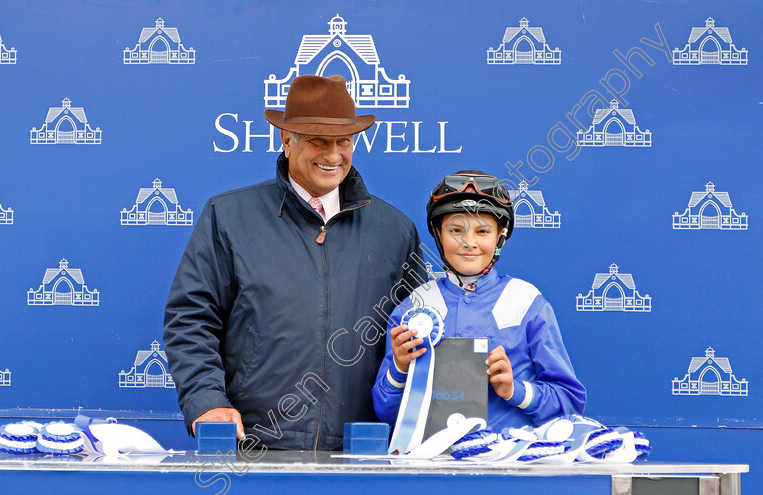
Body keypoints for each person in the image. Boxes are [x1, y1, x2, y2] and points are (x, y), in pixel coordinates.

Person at [164, 75, 423, 451]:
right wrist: (207, 401)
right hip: (255, 450)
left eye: (344, 141)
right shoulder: (229, 216)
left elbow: (423, 338)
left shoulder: (395, 230)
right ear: (287, 140)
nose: (333, 155)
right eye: (319, 141)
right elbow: (191, 318)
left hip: (362, 453)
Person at [372, 171, 586, 433]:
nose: (469, 242)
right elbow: (386, 412)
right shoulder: (414, 308)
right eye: (456, 230)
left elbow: (570, 403)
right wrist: (400, 369)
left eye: (483, 230)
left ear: (499, 237)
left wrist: (514, 390)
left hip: (506, 467)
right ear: (439, 235)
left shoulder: (528, 303)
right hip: (434, 466)